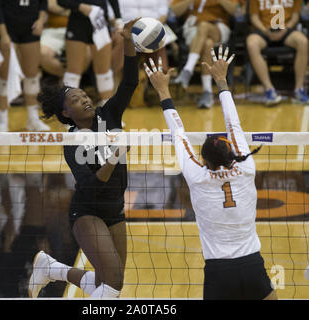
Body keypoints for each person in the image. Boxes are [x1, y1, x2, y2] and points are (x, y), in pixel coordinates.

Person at [143, 46, 277, 300]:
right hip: (252, 266)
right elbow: (233, 124)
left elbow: (178, 133)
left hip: (218, 271)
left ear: (203, 160)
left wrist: (163, 90)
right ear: (231, 154)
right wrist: (221, 80)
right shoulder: (246, 168)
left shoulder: (197, 176)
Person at [27, 20, 138, 298]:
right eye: (76, 100)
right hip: (87, 211)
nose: (85, 100)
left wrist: (128, 41)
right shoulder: (72, 143)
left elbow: (130, 81)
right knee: (113, 283)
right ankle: (52, 269)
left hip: (114, 209)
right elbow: (92, 186)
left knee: (110, 281)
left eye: (84, 96)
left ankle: (52, 269)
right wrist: (114, 156)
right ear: (66, 113)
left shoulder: (109, 114)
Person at [0, 0, 50, 132]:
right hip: (8, 30)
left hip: (31, 29)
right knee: (4, 74)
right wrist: (3, 34)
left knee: (32, 75)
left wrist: (41, 21)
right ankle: (2, 121)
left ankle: (33, 119)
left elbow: (43, 4)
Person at [171, 0, 237, 109]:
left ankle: (188, 69)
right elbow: (174, 12)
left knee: (204, 26)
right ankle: (207, 91)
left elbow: (236, 11)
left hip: (219, 27)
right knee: (207, 44)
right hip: (193, 28)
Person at [57, 0, 122, 106]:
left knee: (104, 73)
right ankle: (70, 114)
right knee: (73, 73)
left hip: (99, 22)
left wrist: (118, 19)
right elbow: (61, 1)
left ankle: (107, 113)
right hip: (78, 23)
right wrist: (81, 6)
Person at [246, 0, 308, 106]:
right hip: (264, 30)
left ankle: (299, 90)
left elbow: (295, 16)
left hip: (286, 29)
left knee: (303, 42)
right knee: (252, 43)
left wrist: (286, 29)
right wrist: (265, 31)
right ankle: (270, 90)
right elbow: (254, 17)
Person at [40, 0, 70, 79]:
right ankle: (68, 79)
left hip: (79, 28)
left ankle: (73, 79)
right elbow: (50, 5)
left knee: (88, 52)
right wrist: (74, 8)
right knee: (41, 53)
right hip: (52, 30)